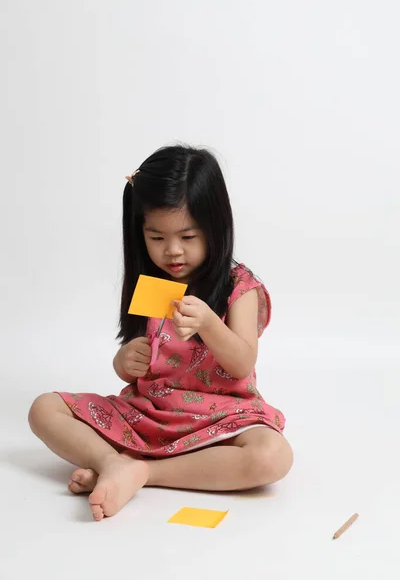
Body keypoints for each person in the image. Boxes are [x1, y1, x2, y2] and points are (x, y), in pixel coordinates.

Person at [29, 144, 293, 522]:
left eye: (188, 237)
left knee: (273, 456)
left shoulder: (239, 286)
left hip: (218, 419)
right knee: (44, 408)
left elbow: (241, 363)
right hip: (150, 414)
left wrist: (208, 323)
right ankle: (111, 462)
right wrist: (124, 363)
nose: (173, 252)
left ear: (216, 228)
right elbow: (144, 362)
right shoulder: (153, 284)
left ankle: (143, 471)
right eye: (157, 238)